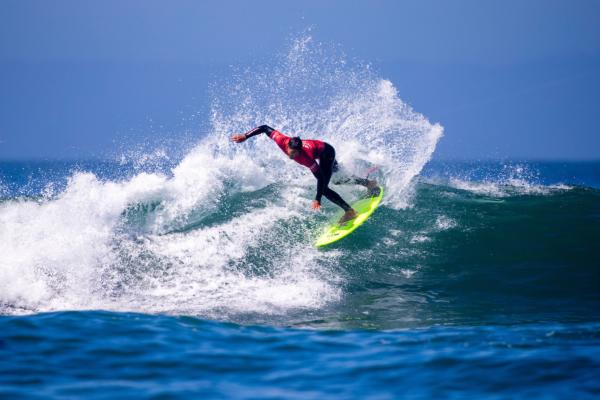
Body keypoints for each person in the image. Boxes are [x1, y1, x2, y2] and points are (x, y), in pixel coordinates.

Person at [231, 125, 378, 225]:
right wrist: (245, 135)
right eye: (291, 152)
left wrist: (317, 199)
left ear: (300, 150)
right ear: (288, 145)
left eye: (296, 153)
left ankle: (350, 211)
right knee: (337, 182)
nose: (293, 155)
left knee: (325, 189)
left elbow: (319, 178)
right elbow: (264, 128)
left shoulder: (306, 158)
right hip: (322, 149)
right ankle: (369, 184)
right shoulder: (281, 140)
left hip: (326, 153)